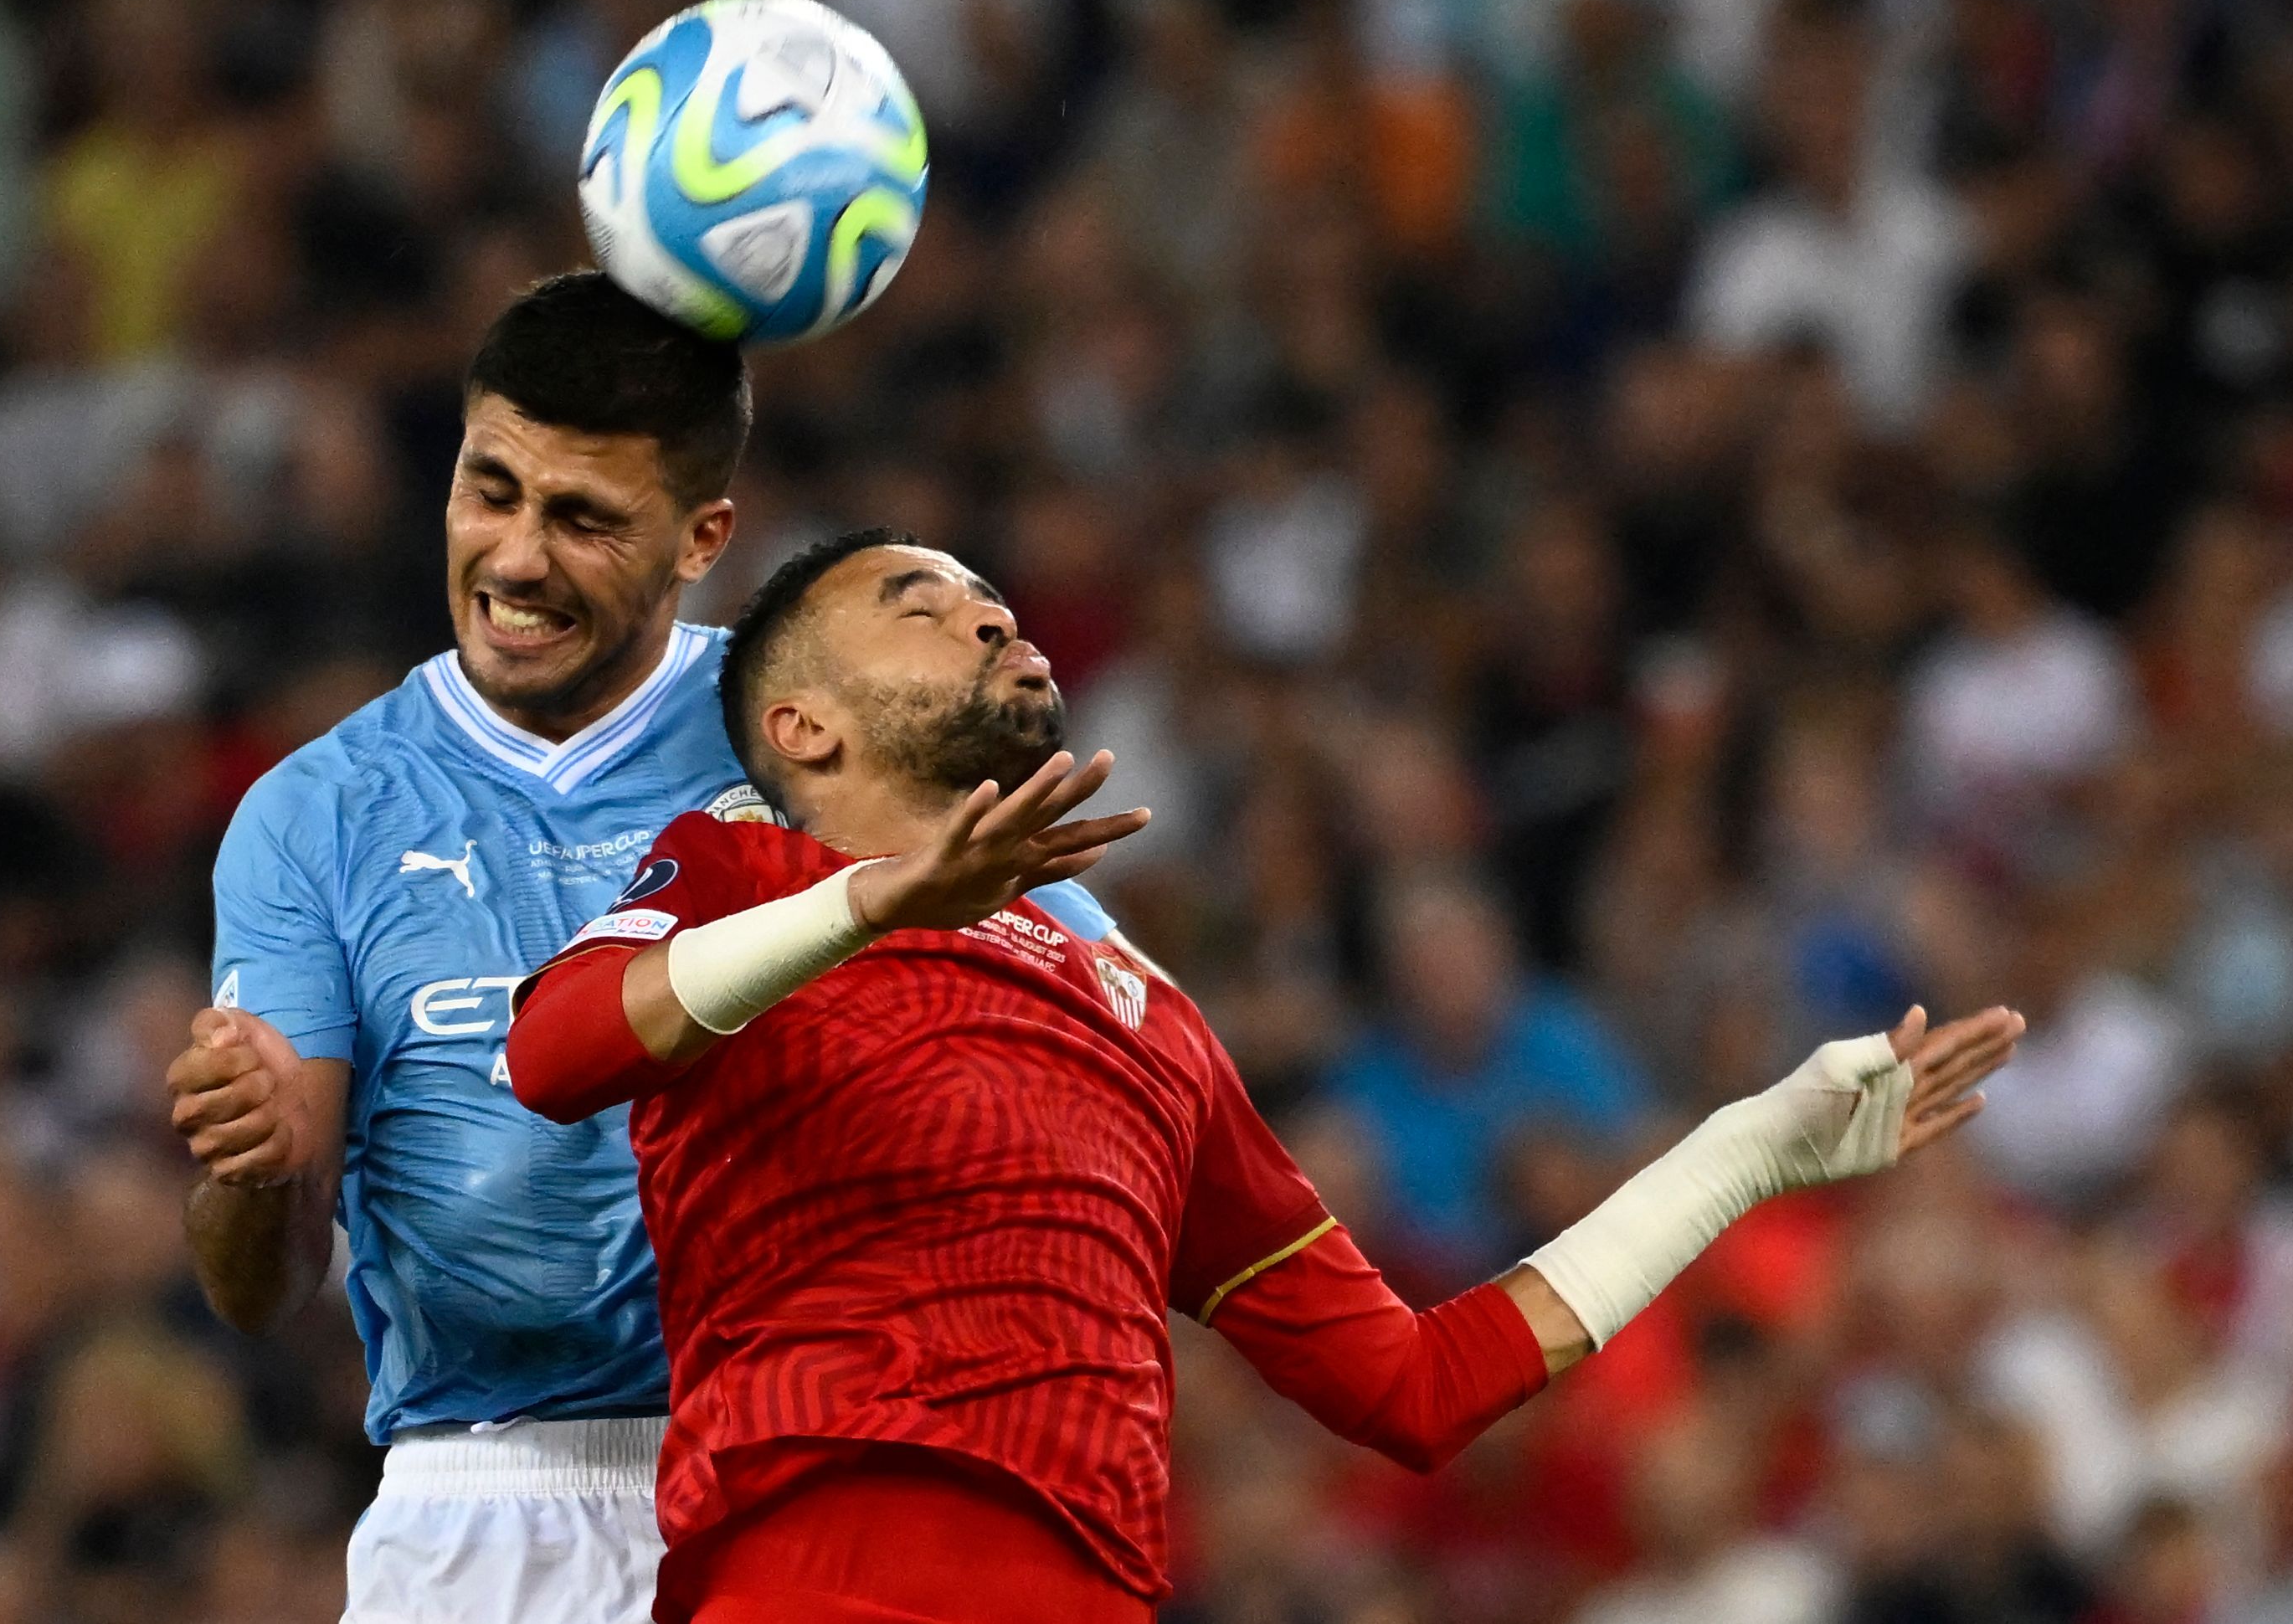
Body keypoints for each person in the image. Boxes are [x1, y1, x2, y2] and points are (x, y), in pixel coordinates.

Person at [506, 529, 2026, 1624]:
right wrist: (870, 903)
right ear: (802, 725)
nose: (992, 619)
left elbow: (1412, 1387)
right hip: (815, 1577)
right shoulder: (739, 872)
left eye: (995, 598)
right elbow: (554, 1049)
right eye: (925, 603)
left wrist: (1750, 1148)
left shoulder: (1148, 1020)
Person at [160, 274, 1127, 1623]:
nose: (513, 560)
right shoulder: (315, 814)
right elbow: (258, 1287)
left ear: (700, 535)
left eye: (582, 521)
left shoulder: (816, 736)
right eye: (488, 490)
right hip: (479, 1518)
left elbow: (1121, 1063)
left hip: (826, 1474)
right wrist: (248, 1165)